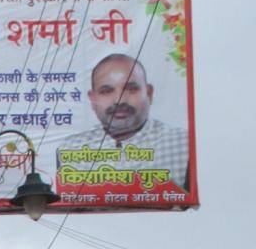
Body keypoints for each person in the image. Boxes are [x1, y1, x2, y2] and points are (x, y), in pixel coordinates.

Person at [57, 53, 190, 191]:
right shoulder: (72, 148)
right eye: (106, 91)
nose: (120, 101)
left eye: (131, 89)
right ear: (92, 99)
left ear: (149, 93)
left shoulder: (182, 143)